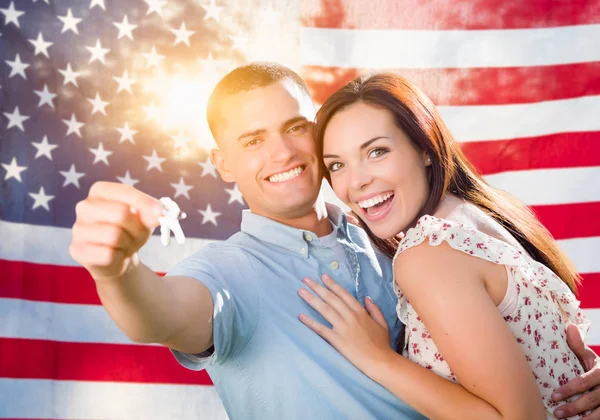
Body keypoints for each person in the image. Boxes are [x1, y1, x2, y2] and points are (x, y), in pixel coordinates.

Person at [69, 63, 600, 419]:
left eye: (295, 127)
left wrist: (575, 374)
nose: (281, 153)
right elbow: (158, 313)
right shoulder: (227, 271)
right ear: (223, 165)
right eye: (253, 140)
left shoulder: (394, 230)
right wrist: (117, 271)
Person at [297, 72, 597, 419]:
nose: (357, 181)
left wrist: (377, 359)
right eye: (337, 165)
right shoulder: (479, 215)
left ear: (424, 147)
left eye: (377, 151)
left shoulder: (429, 251)